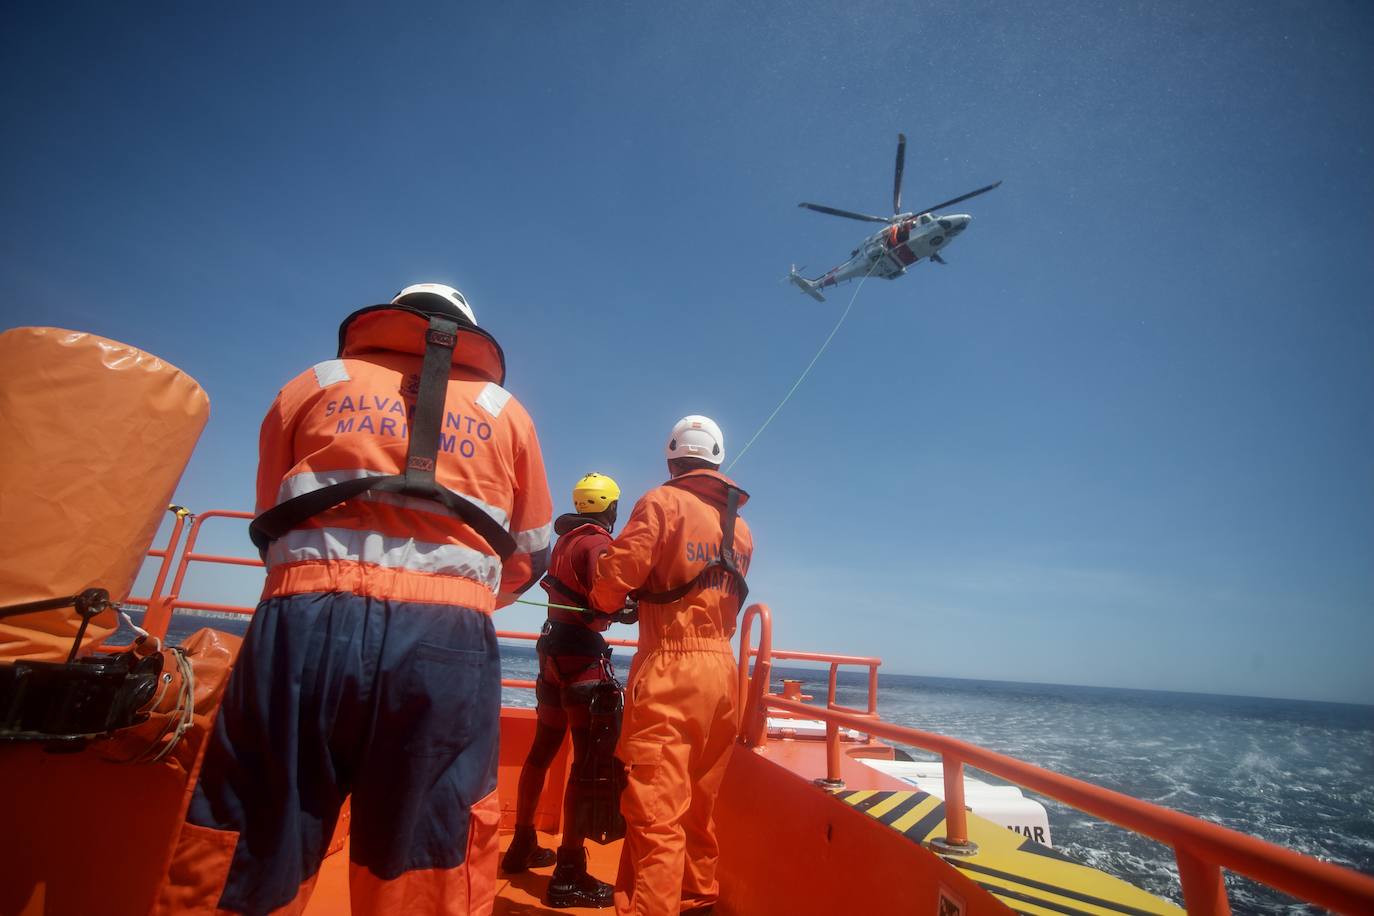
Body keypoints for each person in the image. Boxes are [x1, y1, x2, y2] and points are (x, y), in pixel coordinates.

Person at [155, 282, 553, 915]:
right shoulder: (505, 410)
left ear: (390, 317)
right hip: (445, 641)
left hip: (301, 624)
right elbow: (528, 552)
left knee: (253, 829)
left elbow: (272, 514)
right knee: (429, 847)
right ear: (469, 333)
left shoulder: (313, 383)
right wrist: (459, 590)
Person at [587, 416, 753, 916]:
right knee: (698, 810)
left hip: (670, 670)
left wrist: (605, 598)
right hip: (724, 677)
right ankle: (698, 902)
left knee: (656, 815)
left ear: (672, 459)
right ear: (718, 461)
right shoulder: (741, 530)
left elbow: (618, 575)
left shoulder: (661, 503)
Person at [502, 472, 633, 909]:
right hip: (581, 663)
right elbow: (606, 597)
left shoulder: (565, 540)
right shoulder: (597, 542)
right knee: (586, 765)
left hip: (551, 656)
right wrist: (628, 608)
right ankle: (568, 871)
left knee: (542, 750)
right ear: (611, 508)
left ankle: (522, 844)